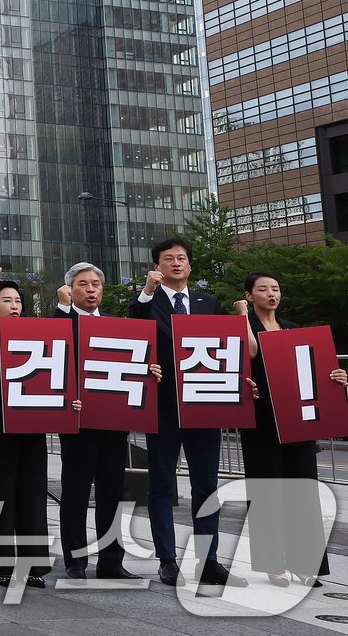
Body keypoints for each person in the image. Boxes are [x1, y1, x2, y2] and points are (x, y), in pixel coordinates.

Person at [128, 237, 247, 587]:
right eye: (168, 259)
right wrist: (147, 292)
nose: (176, 264)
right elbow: (134, 323)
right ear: (157, 266)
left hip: (204, 406)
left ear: (190, 266)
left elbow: (225, 347)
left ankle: (208, 560)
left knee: (206, 486)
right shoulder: (146, 302)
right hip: (164, 407)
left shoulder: (207, 302)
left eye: (182, 258)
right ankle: (167, 559)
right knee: (162, 483)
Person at [235, 271, 344, 587]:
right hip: (261, 420)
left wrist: (333, 375)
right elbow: (252, 352)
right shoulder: (244, 326)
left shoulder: (294, 329)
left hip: (297, 420)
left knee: (302, 490)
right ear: (249, 295)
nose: (271, 294)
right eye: (263, 289)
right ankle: (273, 564)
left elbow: (315, 368)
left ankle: (304, 562)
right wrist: (241, 314)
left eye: (276, 289)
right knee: (267, 490)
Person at [53, 262, 144, 581]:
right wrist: (63, 309)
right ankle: (75, 560)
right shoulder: (62, 320)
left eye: (96, 284)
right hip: (78, 423)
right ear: (69, 289)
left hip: (113, 422)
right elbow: (54, 349)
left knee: (112, 492)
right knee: (76, 492)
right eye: (83, 284)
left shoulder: (115, 325)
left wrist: (148, 372)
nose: (91, 289)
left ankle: (111, 561)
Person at [0, 269, 48, 588]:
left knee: (32, 494)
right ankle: (0, 563)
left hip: (32, 422)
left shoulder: (34, 336)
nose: (15, 306)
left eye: (18, 301)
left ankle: (33, 564)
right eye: (7, 300)